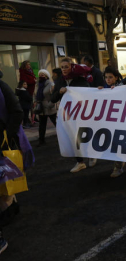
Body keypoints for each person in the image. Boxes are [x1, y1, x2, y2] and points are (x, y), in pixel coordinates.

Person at [0, 75, 34, 256]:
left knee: (7, 179)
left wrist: (6, 134)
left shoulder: (2, 87)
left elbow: (17, 112)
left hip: (4, 144)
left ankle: (9, 209)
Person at [51, 57, 93, 173]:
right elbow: (53, 99)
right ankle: (80, 162)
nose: (64, 69)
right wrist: (59, 92)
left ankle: (91, 154)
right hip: (68, 115)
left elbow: (89, 94)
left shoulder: (80, 80)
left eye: (66, 67)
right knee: (73, 137)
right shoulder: (60, 81)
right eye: (62, 67)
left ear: (72, 67)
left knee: (85, 134)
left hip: (82, 114)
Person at [98, 67, 125, 177]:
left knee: (117, 142)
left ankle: (118, 167)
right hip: (109, 120)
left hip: (121, 120)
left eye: (110, 77)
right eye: (106, 77)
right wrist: (98, 91)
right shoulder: (105, 88)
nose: (108, 80)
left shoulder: (122, 87)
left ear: (116, 78)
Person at [35, 69, 57, 147]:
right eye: (40, 74)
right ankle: (41, 140)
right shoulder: (37, 84)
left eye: (43, 74)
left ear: (47, 75)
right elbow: (35, 94)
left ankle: (64, 138)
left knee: (56, 123)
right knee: (42, 125)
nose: (41, 75)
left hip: (49, 106)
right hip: (41, 107)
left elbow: (54, 95)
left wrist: (51, 103)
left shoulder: (50, 84)